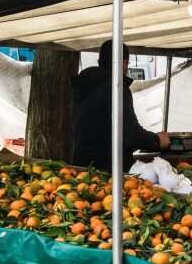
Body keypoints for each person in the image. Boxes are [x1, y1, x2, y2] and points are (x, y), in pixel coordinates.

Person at [73, 40, 170, 171]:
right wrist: (157, 140)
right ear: (124, 63)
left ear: (99, 61)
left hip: (80, 167)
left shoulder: (84, 86)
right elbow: (130, 133)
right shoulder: (116, 87)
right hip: (107, 170)